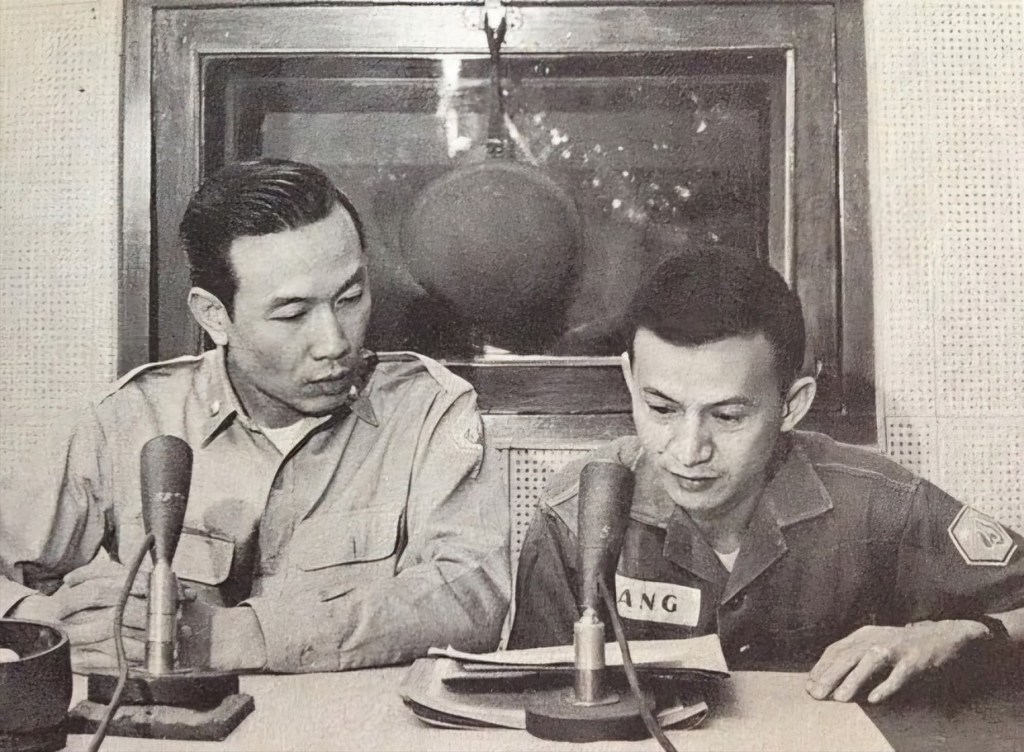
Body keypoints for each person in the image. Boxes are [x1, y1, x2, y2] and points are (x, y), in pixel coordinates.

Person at [0, 159, 510, 673]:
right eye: (292, 314)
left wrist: (231, 637)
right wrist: (49, 623)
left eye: (350, 298)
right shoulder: (128, 420)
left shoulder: (427, 410)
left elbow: (470, 597)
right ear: (214, 316)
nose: (334, 342)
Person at [509, 248, 1024, 704]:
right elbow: (528, 705)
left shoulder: (879, 504)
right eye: (661, 409)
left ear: (791, 405)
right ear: (629, 380)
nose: (688, 450)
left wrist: (956, 634)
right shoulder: (576, 514)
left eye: (728, 416)